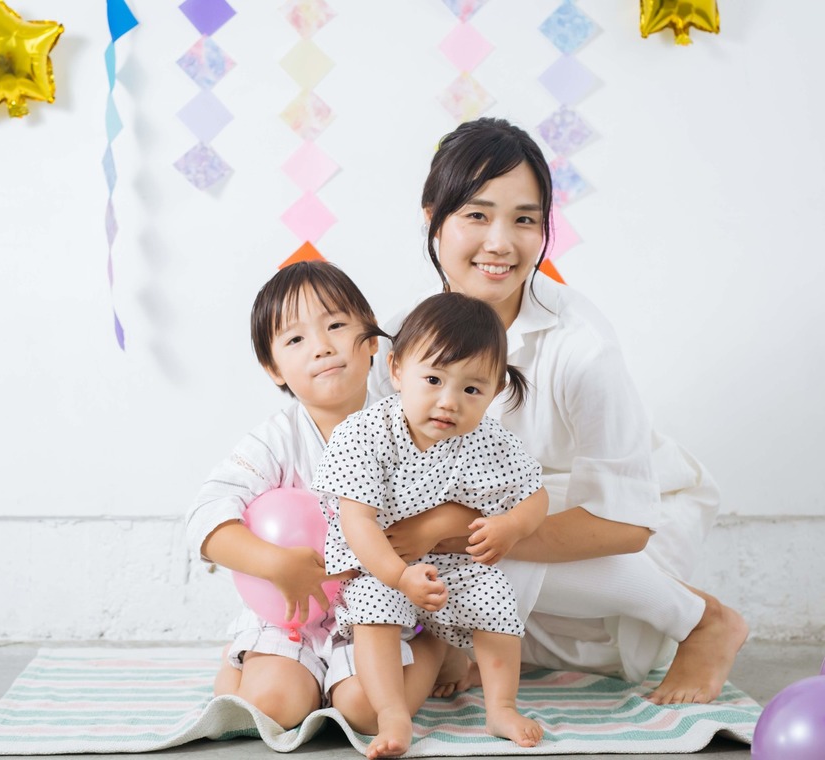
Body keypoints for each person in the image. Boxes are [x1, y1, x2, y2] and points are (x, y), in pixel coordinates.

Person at [370, 117, 748, 705]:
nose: (501, 243)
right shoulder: (398, 340)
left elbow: (626, 522)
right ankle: (464, 638)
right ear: (431, 217)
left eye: (524, 219)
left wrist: (447, 525)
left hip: (615, 543)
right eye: (477, 214)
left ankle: (702, 620)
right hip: (488, 544)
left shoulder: (580, 347)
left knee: (477, 531)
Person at [185, 261, 447, 729]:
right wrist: (274, 564)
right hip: (293, 612)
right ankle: (250, 660)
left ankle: (432, 648)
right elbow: (205, 517)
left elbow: (461, 498)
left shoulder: (407, 427)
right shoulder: (275, 440)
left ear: (371, 341)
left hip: (377, 609)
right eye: (295, 339)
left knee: (366, 712)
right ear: (273, 368)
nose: (322, 346)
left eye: (336, 325)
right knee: (271, 707)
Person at [313, 292, 548, 758]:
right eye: (434, 379)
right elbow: (356, 520)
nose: (449, 402)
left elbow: (535, 495)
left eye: (471, 389)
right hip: (383, 561)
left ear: (495, 391)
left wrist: (513, 526)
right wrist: (399, 576)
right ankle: (392, 712)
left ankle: (500, 705)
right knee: (374, 611)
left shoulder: (491, 441)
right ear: (398, 370)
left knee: (496, 601)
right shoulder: (365, 433)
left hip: (453, 563)